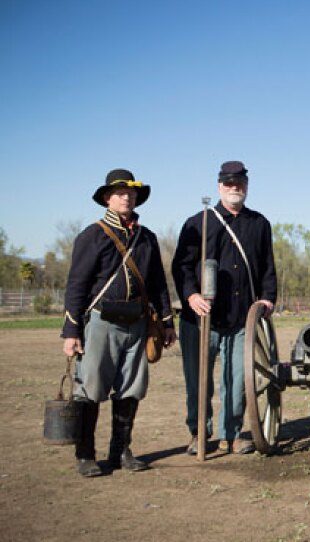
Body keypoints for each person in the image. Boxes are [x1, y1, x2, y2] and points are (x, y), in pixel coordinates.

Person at [62, 169, 177, 477]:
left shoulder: (147, 237)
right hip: (101, 322)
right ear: (107, 198)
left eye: (131, 192)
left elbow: (157, 285)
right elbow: (77, 285)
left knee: (130, 388)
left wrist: (166, 322)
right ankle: (85, 454)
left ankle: (120, 451)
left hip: (137, 323)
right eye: (120, 192)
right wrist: (71, 330)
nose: (127, 196)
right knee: (90, 389)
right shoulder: (92, 235)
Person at [171, 161, 277, 455]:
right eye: (229, 184)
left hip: (242, 317)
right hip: (200, 318)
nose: (234, 189)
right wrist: (191, 295)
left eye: (239, 184)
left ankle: (231, 433)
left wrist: (267, 298)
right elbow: (180, 266)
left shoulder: (259, 224)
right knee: (198, 380)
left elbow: (268, 266)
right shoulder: (199, 222)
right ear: (219, 187)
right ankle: (199, 433)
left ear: (246, 186)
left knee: (236, 380)